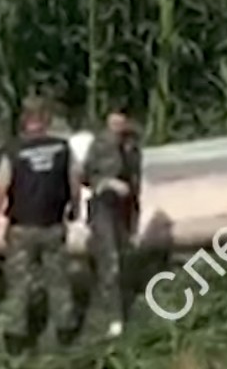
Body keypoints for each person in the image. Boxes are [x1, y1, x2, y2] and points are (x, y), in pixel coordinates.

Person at [0, 98, 79, 349]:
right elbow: (74, 181)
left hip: (21, 226)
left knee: (18, 281)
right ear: (46, 121)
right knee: (58, 277)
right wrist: (75, 209)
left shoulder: (13, 151)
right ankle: (65, 328)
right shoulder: (63, 148)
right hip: (53, 223)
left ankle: (16, 336)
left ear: (25, 121)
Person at [83, 108, 142, 339]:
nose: (117, 123)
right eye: (113, 119)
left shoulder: (132, 146)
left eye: (122, 119)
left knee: (123, 258)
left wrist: (135, 222)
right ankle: (112, 318)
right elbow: (87, 176)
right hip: (103, 207)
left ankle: (120, 306)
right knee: (110, 261)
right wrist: (107, 182)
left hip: (124, 209)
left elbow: (136, 184)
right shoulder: (99, 144)